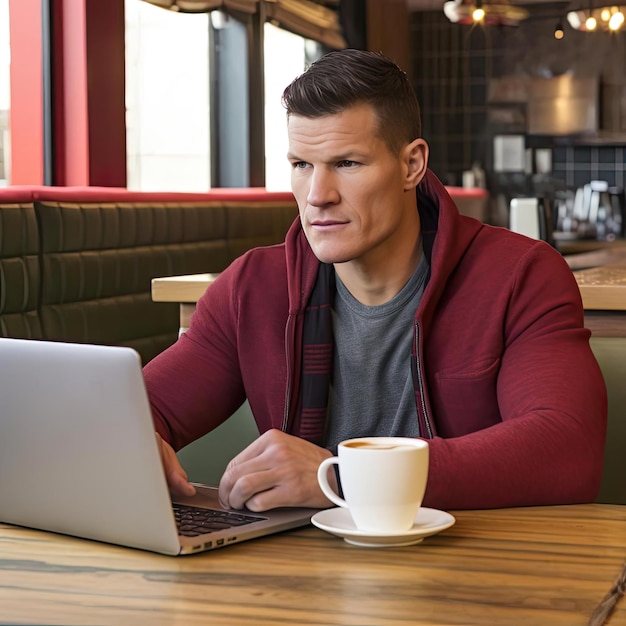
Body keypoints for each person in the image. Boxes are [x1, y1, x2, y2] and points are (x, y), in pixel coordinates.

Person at [144, 48, 607, 513]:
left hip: (468, 566)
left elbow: (567, 449)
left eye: (347, 164)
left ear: (411, 165)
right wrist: (138, 443)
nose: (317, 197)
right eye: (302, 165)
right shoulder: (252, 286)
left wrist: (344, 478)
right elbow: (142, 410)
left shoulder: (519, 275)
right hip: (299, 572)